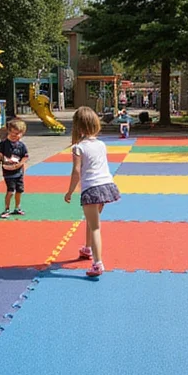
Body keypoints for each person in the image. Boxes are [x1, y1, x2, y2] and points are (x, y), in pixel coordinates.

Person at [65, 106, 120, 277]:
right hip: (106, 186)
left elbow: (76, 172)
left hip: (91, 188)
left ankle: (98, 263)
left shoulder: (78, 148)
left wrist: (69, 192)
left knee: (95, 226)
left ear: (77, 127)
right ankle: (87, 249)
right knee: (91, 221)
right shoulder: (101, 144)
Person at [0, 117, 28, 218]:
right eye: (12, 133)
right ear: (8, 132)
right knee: (10, 191)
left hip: (19, 171)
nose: (15, 136)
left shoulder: (21, 145)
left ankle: (17, 207)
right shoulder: (3, 144)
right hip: (8, 172)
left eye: (17, 134)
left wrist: (20, 164)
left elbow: (25, 157)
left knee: (19, 190)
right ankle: (7, 208)